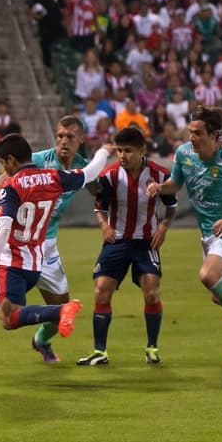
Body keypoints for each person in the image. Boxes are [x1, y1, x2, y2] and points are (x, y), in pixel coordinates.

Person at [0, 115, 110, 364]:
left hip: (46, 248)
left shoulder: (79, 165)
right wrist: (13, 210)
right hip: (20, 245)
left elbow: (96, 187)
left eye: (69, 137)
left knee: (54, 310)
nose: (63, 141)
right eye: (59, 136)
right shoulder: (37, 161)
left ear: (81, 139)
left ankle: (41, 341)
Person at [147, 107, 222, 363]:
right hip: (209, 233)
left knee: (208, 275)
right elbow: (176, 184)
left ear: (214, 135)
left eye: (198, 133)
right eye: (191, 132)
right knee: (218, 294)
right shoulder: (184, 154)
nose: (191, 137)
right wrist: (160, 188)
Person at [79, 126, 177, 367]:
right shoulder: (109, 176)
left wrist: (164, 227)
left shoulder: (160, 174)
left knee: (152, 292)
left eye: (128, 151)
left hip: (146, 241)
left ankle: (152, 348)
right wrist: (103, 226)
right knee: (101, 289)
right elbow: (100, 208)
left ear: (142, 150)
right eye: (120, 150)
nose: (123, 155)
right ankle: (99, 351)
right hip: (118, 240)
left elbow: (171, 206)